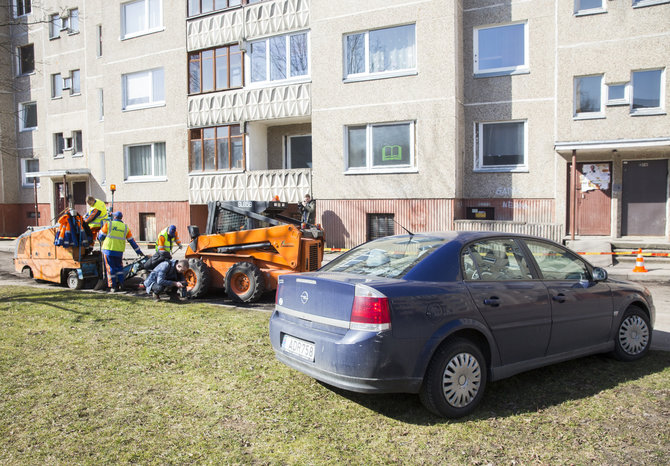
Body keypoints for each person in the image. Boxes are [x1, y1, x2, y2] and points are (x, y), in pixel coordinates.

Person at [97, 211, 145, 292]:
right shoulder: (125, 227)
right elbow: (132, 241)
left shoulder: (109, 224)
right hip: (119, 251)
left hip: (108, 250)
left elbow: (101, 237)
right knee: (119, 268)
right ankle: (121, 284)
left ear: (114, 217)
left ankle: (113, 287)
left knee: (110, 268)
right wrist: (139, 252)